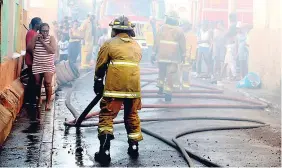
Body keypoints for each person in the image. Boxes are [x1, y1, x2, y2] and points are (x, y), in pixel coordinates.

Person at [93, 16, 142, 165]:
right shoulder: (136, 45)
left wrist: (98, 81)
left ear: (114, 30)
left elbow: (101, 65)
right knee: (132, 115)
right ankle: (134, 147)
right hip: (134, 88)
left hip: (114, 88)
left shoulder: (109, 44)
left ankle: (105, 151)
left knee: (107, 116)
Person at [152, 10, 186, 101]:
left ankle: (160, 88)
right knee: (170, 74)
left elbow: (156, 42)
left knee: (162, 72)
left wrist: (153, 53)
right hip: (173, 57)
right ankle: (168, 93)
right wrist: (183, 56)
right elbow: (183, 45)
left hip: (162, 55)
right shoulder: (179, 30)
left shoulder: (161, 28)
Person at [27, 23, 57, 112]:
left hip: (48, 65)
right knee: (37, 84)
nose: (45, 33)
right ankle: (39, 98)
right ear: (40, 31)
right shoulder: (36, 37)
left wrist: (42, 42)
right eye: (43, 31)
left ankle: (48, 103)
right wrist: (36, 38)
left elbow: (52, 50)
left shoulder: (51, 38)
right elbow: (29, 49)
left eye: (47, 31)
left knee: (47, 83)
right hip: (37, 64)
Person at [24, 17, 42, 122]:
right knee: (33, 81)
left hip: (33, 60)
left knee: (32, 80)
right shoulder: (31, 33)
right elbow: (30, 48)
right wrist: (36, 58)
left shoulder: (34, 32)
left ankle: (30, 100)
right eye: (40, 23)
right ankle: (30, 101)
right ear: (36, 24)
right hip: (32, 60)